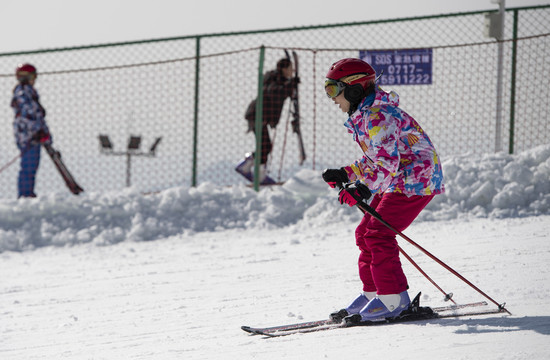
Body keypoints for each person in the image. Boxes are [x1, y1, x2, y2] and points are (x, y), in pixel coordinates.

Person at [322, 58, 445, 322]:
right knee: (364, 233)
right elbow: (377, 159)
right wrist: (346, 173)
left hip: (415, 180)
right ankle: (373, 294)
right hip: (399, 178)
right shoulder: (367, 115)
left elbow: (387, 163)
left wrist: (363, 189)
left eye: (333, 90)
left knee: (378, 234)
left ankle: (393, 300)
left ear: (354, 89)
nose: (331, 98)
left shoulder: (379, 116)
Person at [235, 57, 299, 184]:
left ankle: (253, 169)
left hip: (259, 115)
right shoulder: (274, 79)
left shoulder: (278, 79)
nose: (292, 71)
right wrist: (290, 85)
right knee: (265, 145)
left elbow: (280, 93)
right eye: (290, 68)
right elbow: (274, 93)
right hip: (258, 115)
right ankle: (254, 171)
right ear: (284, 69)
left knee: (265, 146)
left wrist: (290, 87)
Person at [11, 63, 52, 198]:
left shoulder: (29, 93)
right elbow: (27, 116)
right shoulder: (23, 94)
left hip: (32, 136)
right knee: (28, 166)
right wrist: (36, 131)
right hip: (29, 137)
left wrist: (44, 133)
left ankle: (28, 192)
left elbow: (37, 115)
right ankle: (25, 194)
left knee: (32, 165)